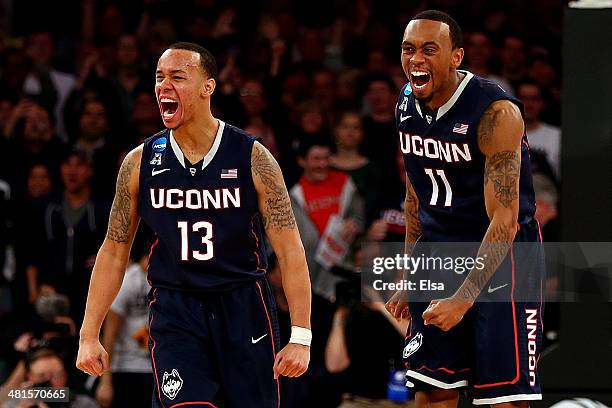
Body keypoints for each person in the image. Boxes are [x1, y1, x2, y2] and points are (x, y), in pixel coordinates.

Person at [76, 42, 311, 408]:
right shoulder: (139, 162)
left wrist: (301, 334)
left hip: (242, 302)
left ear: (208, 86)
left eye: (177, 77)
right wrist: (89, 334)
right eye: (159, 78)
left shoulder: (252, 156)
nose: (163, 86)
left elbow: (290, 250)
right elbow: (113, 249)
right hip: (176, 307)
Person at [385, 10, 545, 407]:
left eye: (428, 49)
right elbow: (415, 195)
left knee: (503, 399)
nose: (415, 59)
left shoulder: (496, 114)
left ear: (456, 57)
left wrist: (464, 297)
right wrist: (409, 271)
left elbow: (505, 221)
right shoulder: (406, 104)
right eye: (408, 49)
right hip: (440, 250)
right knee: (431, 387)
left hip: (505, 257)